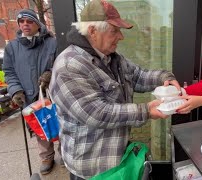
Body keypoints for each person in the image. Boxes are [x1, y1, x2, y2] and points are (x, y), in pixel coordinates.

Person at [48, 0, 180, 179]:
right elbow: (96, 113)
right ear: (93, 31)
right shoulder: (70, 66)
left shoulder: (111, 58)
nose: (121, 37)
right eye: (114, 31)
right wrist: (146, 110)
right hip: (92, 169)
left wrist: (165, 77)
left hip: (116, 160)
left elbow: (138, 76)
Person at [2, 9, 61, 175]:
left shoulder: (51, 43)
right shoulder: (12, 48)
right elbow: (9, 72)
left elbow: (59, 63)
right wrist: (15, 91)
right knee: (39, 126)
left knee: (58, 122)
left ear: (37, 24)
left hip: (51, 92)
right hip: (29, 95)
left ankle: (65, 152)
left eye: (29, 21)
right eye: (21, 22)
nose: (25, 25)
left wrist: (50, 73)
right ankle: (46, 157)